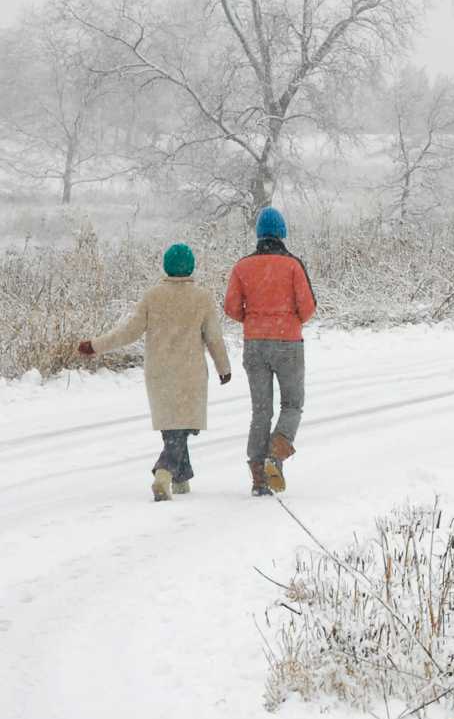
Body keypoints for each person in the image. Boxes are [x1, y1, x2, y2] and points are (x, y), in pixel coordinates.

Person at [80, 244, 232, 502]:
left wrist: (96, 345)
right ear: (191, 267)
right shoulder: (202, 297)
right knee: (180, 427)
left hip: (160, 374)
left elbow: (129, 332)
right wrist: (224, 368)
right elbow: (214, 339)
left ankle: (181, 480)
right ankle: (163, 473)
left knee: (173, 427)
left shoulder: (153, 296)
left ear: (166, 266)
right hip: (190, 373)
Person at [224, 207, 317, 497]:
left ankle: (258, 479)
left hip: (254, 344)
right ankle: (275, 456)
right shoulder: (292, 265)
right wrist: (287, 322)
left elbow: (230, 308)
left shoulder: (242, 267)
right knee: (292, 404)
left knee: (260, 411)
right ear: (282, 233)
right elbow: (308, 307)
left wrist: (254, 321)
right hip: (287, 342)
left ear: (258, 234)